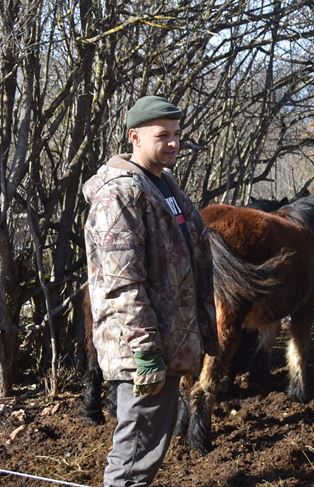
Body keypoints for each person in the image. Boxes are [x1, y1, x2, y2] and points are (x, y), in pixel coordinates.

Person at [83, 95, 219, 486]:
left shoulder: (164, 185)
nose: (174, 143)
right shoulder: (119, 195)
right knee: (134, 454)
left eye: (177, 134)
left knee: (148, 448)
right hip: (143, 350)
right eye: (163, 135)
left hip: (169, 343)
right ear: (135, 137)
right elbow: (121, 284)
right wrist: (145, 352)